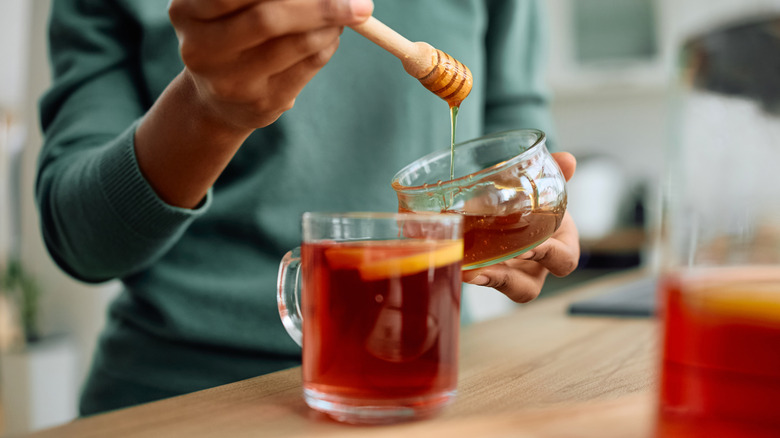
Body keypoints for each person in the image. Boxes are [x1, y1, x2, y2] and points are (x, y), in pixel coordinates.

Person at [37, 0, 579, 416]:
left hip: (420, 382)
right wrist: (209, 112)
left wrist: (536, 222)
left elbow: (515, 139)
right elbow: (82, 242)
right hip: (179, 402)